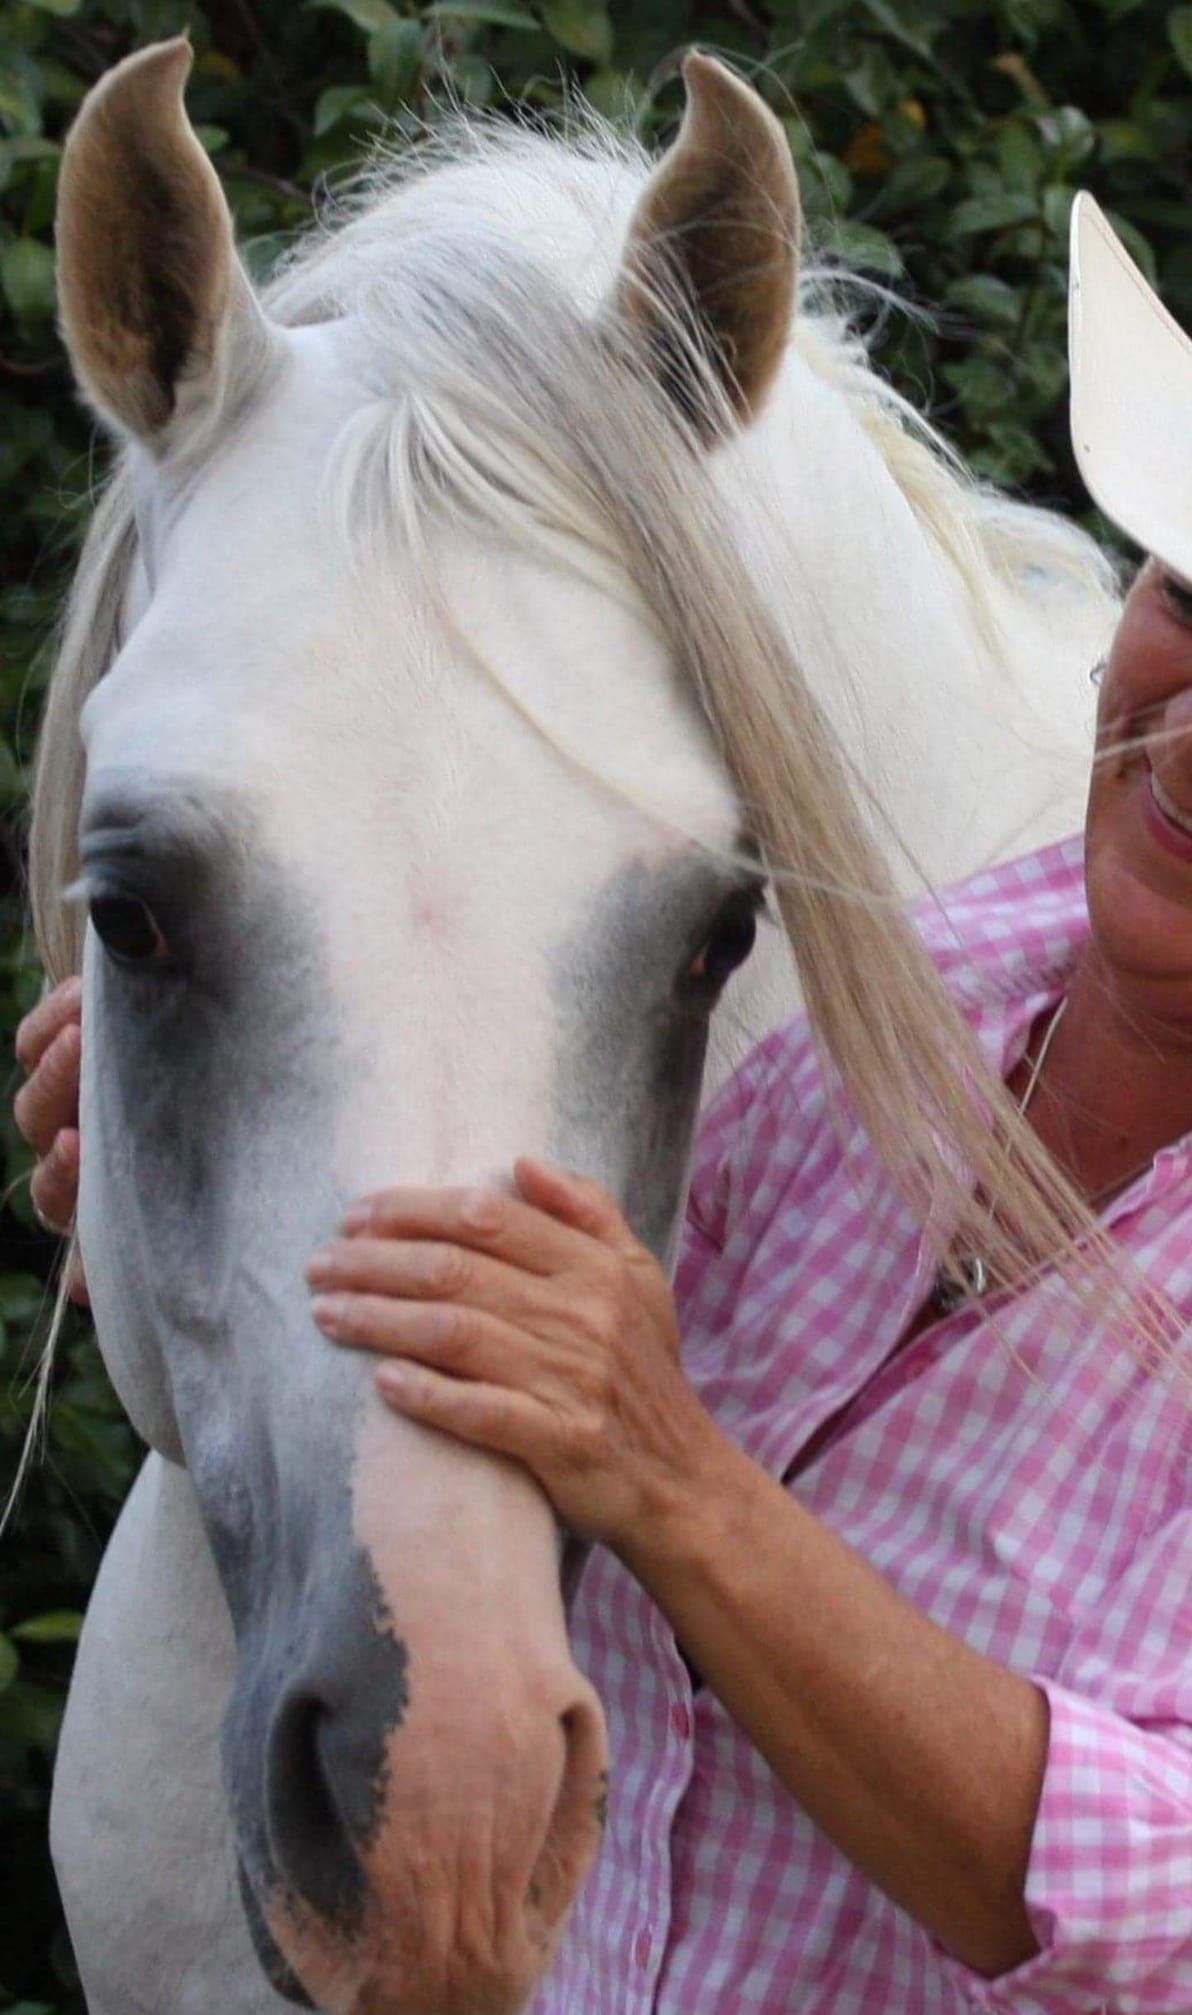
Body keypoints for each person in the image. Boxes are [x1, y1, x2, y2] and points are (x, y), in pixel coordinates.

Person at [15, 195, 1191, 2011]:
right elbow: (508, 1121)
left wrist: (682, 1487)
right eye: (1190, 595)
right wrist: (215, 1126)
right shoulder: (909, 985)